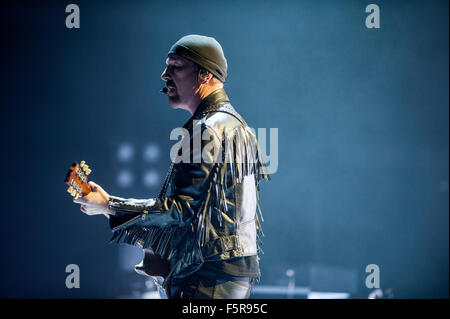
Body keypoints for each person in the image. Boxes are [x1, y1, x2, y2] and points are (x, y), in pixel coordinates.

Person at [73, 34, 269, 299]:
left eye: (175, 66)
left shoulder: (207, 130)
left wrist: (109, 204)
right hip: (227, 274)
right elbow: (209, 215)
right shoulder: (238, 127)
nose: (164, 75)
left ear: (204, 75)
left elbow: (181, 210)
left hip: (205, 279)